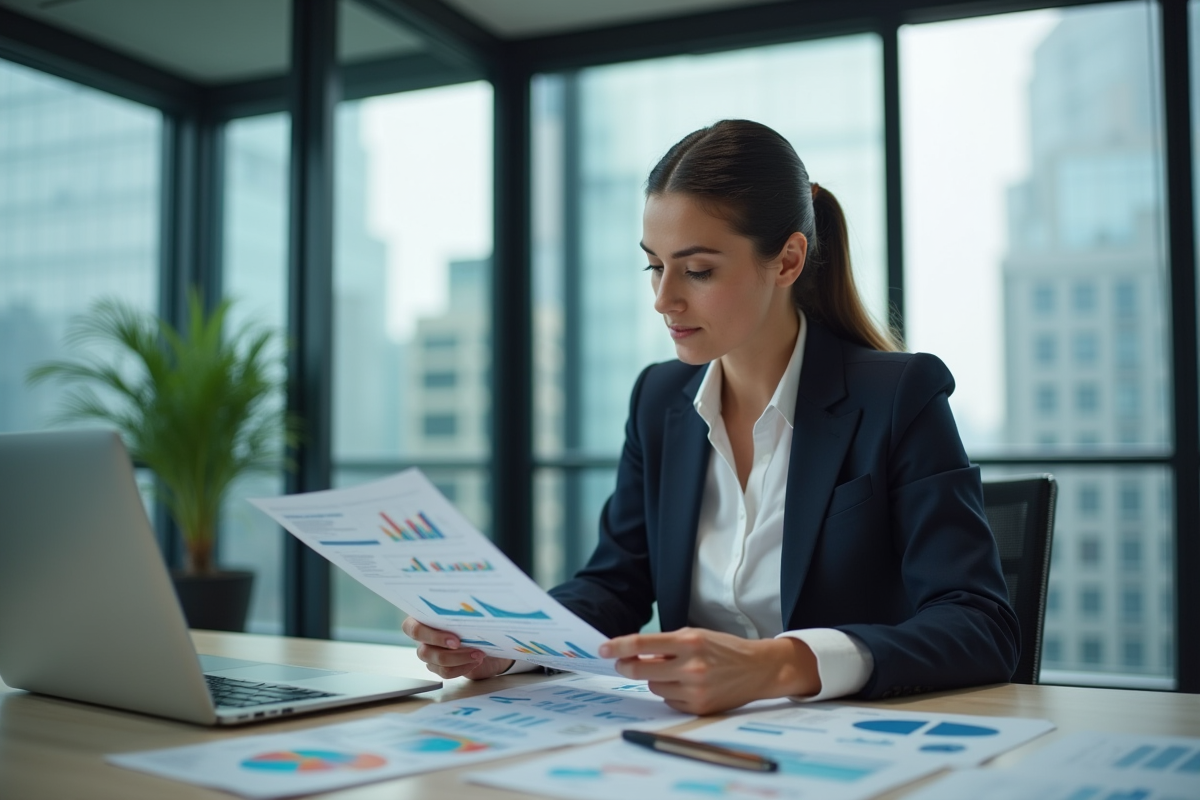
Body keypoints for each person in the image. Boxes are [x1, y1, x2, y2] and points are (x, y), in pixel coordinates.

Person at [402, 119, 1019, 715]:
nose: (664, 298)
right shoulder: (659, 400)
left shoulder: (897, 396)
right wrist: (506, 646)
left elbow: (980, 624)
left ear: (786, 261)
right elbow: (614, 586)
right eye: (654, 264)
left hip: (856, 747)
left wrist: (779, 665)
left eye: (697, 270)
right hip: (693, 749)